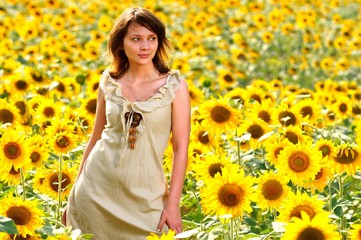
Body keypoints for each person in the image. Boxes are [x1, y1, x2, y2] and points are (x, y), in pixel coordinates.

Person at [62, 7, 190, 239]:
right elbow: (96, 137)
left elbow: (181, 149)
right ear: (121, 43)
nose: (145, 46)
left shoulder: (175, 87)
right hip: (95, 193)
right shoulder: (108, 83)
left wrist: (173, 205)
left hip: (147, 199)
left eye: (152, 38)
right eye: (136, 39)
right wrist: (75, 191)